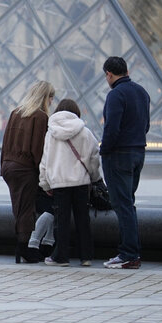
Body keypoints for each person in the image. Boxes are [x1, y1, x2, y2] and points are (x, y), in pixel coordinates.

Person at [100, 56, 150, 269]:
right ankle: (132, 252)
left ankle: (128, 253)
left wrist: (104, 151)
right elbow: (146, 125)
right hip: (138, 153)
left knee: (122, 205)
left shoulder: (115, 95)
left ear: (109, 74)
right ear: (126, 70)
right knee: (129, 203)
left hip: (119, 155)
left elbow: (112, 128)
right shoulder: (142, 92)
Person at [38, 99, 101, 267]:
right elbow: (94, 157)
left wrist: (45, 184)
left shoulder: (51, 133)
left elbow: (45, 162)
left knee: (61, 221)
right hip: (81, 183)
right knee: (83, 220)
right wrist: (95, 178)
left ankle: (61, 257)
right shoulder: (85, 132)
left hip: (59, 183)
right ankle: (86, 256)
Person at [1, 81, 54, 263]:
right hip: (25, 168)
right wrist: (44, 178)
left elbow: (5, 142)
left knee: (19, 207)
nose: (52, 102)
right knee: (26, 209)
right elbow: (39, 150)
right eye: (51, 97)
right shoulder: (40, 117)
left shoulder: (15, 112)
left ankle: (22, 248)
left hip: (9, 166)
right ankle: (24, 249)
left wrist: (3, 165)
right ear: (45, 97)